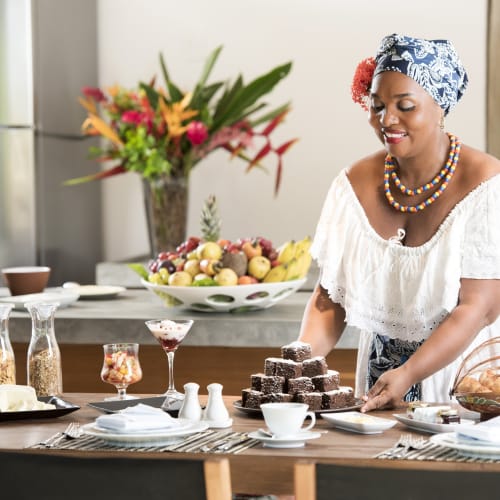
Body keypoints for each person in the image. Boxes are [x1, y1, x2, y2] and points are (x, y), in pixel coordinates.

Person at [298, 33, 500, 412]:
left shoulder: (487, 184)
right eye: (377, 106)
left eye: (404, 106)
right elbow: (329, 299)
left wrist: (408, 374)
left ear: (440, 107)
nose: (386, 119)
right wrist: (297, 366)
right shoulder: (353, 185)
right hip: (377, 386)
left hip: (463, 389)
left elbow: (480, 308)